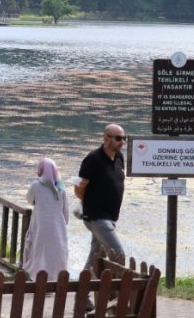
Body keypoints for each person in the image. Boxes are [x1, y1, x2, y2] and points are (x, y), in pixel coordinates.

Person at [75, 124, 127, 311]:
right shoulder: (93, 159)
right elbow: (79, 188)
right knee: (118, 254)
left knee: (95, 258)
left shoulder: (120, 157)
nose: (122, 142)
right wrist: (89, 205)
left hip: (110, 216)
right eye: (118, 138)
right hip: (97, 217)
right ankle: (119, 297)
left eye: (123, 138)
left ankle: (82, 296)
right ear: (106, 138)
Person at [22, 158, 69, 281]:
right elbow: (66, 211)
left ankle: (37, 277)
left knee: (39, 250)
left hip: (40, 223)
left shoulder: (36, 185)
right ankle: (56, 278)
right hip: (58, 226)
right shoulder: (61, 188)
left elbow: (29, 199)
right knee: (56, 251)